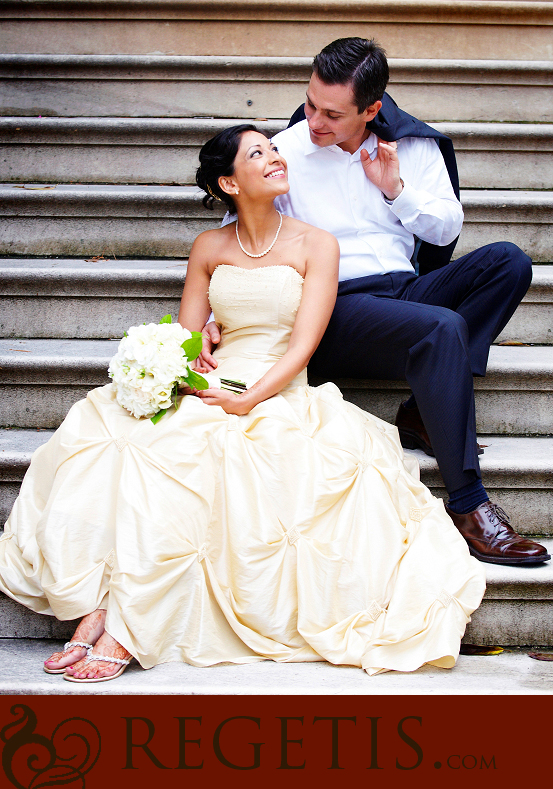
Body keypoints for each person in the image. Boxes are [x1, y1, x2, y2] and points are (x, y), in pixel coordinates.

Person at [0, 125, 485, 682]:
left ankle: (127, 628)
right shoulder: (210, 247)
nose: (277, 157)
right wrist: (178, 367)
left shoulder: (315, 244)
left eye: (275, 149)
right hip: (216, 381)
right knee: (129, 443)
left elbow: (304, 344)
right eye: (260, 153)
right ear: (230, 182)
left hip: (276, 384)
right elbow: (186, 336)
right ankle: (102, 607)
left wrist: (250, 398)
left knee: (224, 451)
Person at [201, 37, 549, 568]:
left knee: (508, 262)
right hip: (332, 307)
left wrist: (396, 191)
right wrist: (213, 314)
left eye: (332, 114)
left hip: (404, 290)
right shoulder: (289, 151)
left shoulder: (413, 147)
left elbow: (447, 225)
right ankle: (469, 505)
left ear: (372, 109)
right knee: (441, 329)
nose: (313, 120)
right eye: (311, 103)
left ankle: (423, 413)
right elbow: (241, 234)